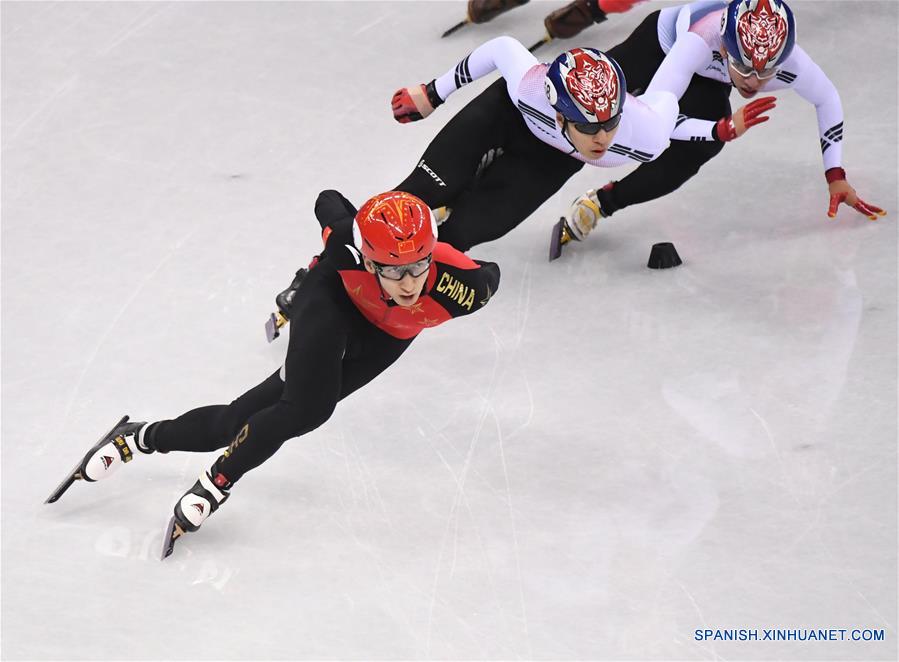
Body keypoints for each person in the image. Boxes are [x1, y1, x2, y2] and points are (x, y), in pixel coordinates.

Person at [47, 190, 500, 553]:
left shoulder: (465, 289)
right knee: (308, 408)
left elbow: (490, 273)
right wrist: (319, 263)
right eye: (392, 270)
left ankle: (138, 436)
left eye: (419, 266)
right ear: (366, 258)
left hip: (385, 339)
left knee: (232, 422)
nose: (409, 282)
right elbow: (328, 201)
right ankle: (217, 482)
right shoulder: (346, 244)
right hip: (331, 304)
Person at [388, 36, 772, 252]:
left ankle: (454, 208)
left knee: (462, 236)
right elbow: (501, 49)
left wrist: (717, 132)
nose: (603, 139)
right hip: (504, 116)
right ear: (559, 116)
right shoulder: (529, 88)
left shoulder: (644, 132)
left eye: (610, 123)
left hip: (548, 163)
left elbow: (674, 109)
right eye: (590, 128)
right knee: (414, 196)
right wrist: (431, 93)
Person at [552, 0, 885, 246]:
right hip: (661, 45)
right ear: (726, 49)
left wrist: (835, 174)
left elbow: (827, 99)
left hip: (710, 77)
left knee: (702, 148)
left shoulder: (790, 61)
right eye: (745, 67)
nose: (754, 82)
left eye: (767, 71)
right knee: (598, 112)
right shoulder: (699, 42)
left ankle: (603, 203)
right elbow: (654, 120)